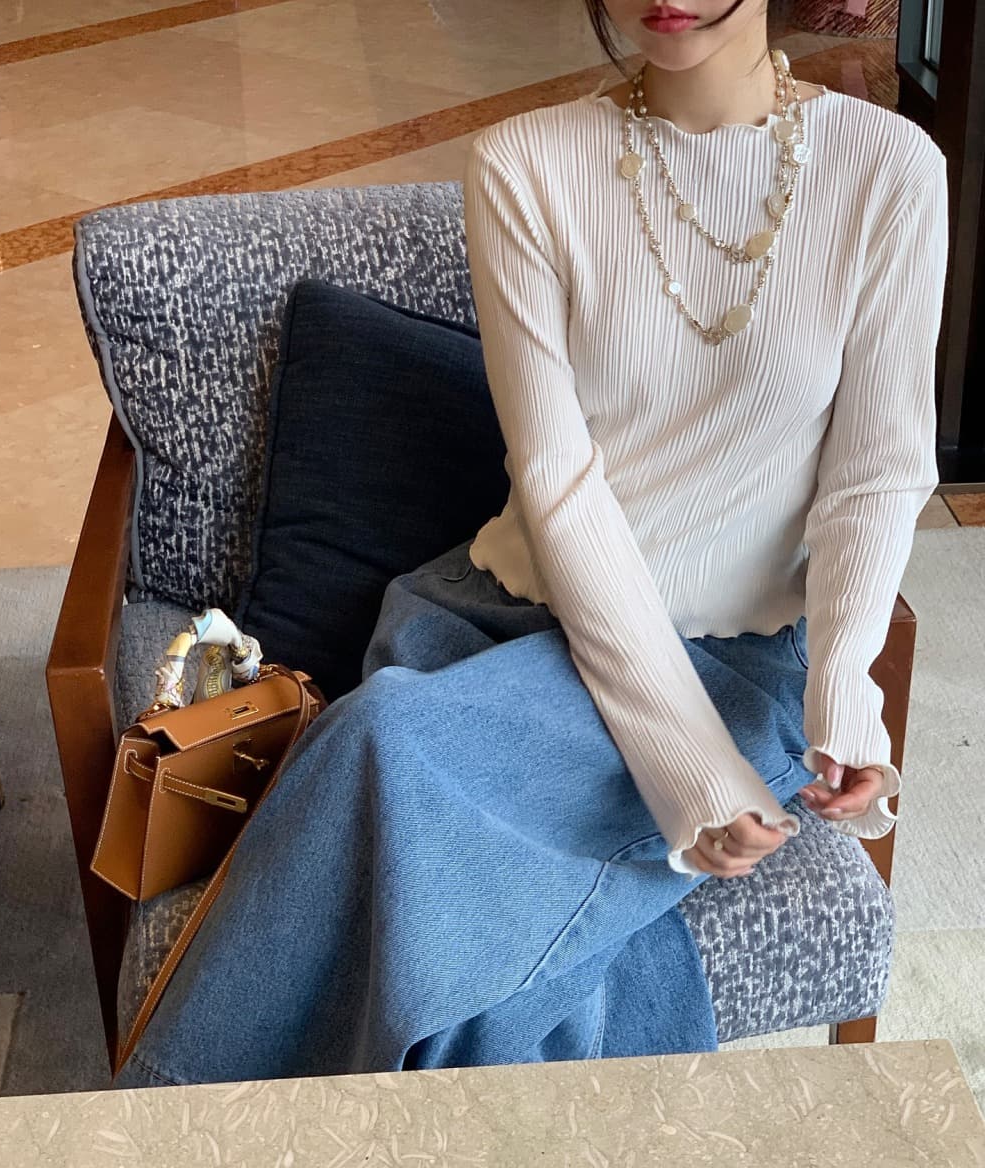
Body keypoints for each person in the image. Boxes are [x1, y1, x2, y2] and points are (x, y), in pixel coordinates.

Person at [115, 0, 948, 1088]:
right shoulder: (525, 162)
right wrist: (688, 769)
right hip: (499, 615)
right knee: (384, 744)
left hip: (734, 655)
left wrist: (843, 689)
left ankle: (190, 1148)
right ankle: (194, 1149)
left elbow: (878, 468)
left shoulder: (889, 169)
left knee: (433, 882)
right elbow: (555, 481)